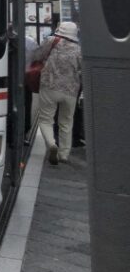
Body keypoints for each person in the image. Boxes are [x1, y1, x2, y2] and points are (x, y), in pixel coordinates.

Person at [29, 21, 82, 165]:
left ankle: (52, 145)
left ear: (60, 30)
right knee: (66, 123)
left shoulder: (52, 41)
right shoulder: (78, 49)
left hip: (50, 86)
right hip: (71, 91)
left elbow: (37, 55)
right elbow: (82, 69)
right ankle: (64, 154)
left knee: (46, 119)